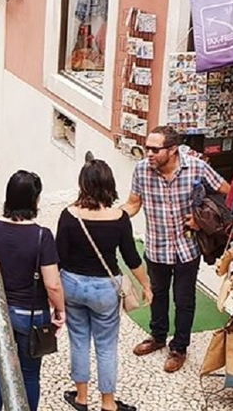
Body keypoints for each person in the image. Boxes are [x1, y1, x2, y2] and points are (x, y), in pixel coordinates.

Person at [122, 126, 229, 373]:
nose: (148, 153)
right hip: (157, 247)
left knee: (185, 300)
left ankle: (179, 348)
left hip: (187, 248)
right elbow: (133, 204)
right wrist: (111, 217)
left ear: (172, 150)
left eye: (154, 149)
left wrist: (203, 218)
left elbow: (227, 192)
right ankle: (157, 337)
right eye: (147, 147)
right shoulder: (141, 170)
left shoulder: (196, 167)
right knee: (157, 294)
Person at [56, 157, 152, 411]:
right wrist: (146, 285)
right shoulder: (119, 218)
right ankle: (108, 403)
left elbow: (59, 258)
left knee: (78, 340)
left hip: (72, 285)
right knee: (106, 346)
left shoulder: (69, 215)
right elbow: (131, 257)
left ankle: (81, 398)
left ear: (83, 184)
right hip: (105, 289)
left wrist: (52, 292)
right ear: (109, 184)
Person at [0, 170, 65, 411]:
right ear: (34, 201)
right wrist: (60, 310)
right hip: (31, 314)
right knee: (28, 374)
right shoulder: (41, 236)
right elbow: (52, 283)